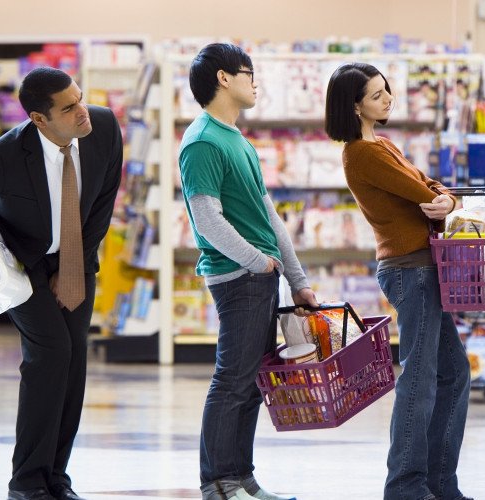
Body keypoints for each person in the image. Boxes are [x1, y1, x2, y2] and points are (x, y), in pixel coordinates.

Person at [0, 67, 123, 500]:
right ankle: (26, 482)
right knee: (51, 354)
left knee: (74, 361)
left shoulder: (105, 127)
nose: (83, 111)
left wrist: (71, 264)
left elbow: (102, 202)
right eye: (69, 107)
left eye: (81, 98)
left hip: (76, 254)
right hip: (23, 263)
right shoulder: (5, 156)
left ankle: (56, 477)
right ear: (40, 119)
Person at [325, 62, 472, 500]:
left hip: (423, 266)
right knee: (421, 376)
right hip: (411, 269)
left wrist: (443, 197)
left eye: (386, 89)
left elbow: (431, 185)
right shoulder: (362, 152)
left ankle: (439, 481)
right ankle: (407, 486)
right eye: (376, 95)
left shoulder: (382, 144)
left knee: (453, 372)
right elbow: (427, 194)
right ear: (353, 107)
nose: (388, 98)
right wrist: (441, 198)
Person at [180, 43, 318, 500]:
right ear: (224, 78)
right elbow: (207, 219)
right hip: (237, 276)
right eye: (249, 73)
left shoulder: (237, 139)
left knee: (252, 383)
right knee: (233, 380)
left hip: (261, 276)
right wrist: (256, 262)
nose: (254, 82)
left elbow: (268, 215)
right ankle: (217, 482)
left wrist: (297, 280)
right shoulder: (202, 141)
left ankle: (241, 477)